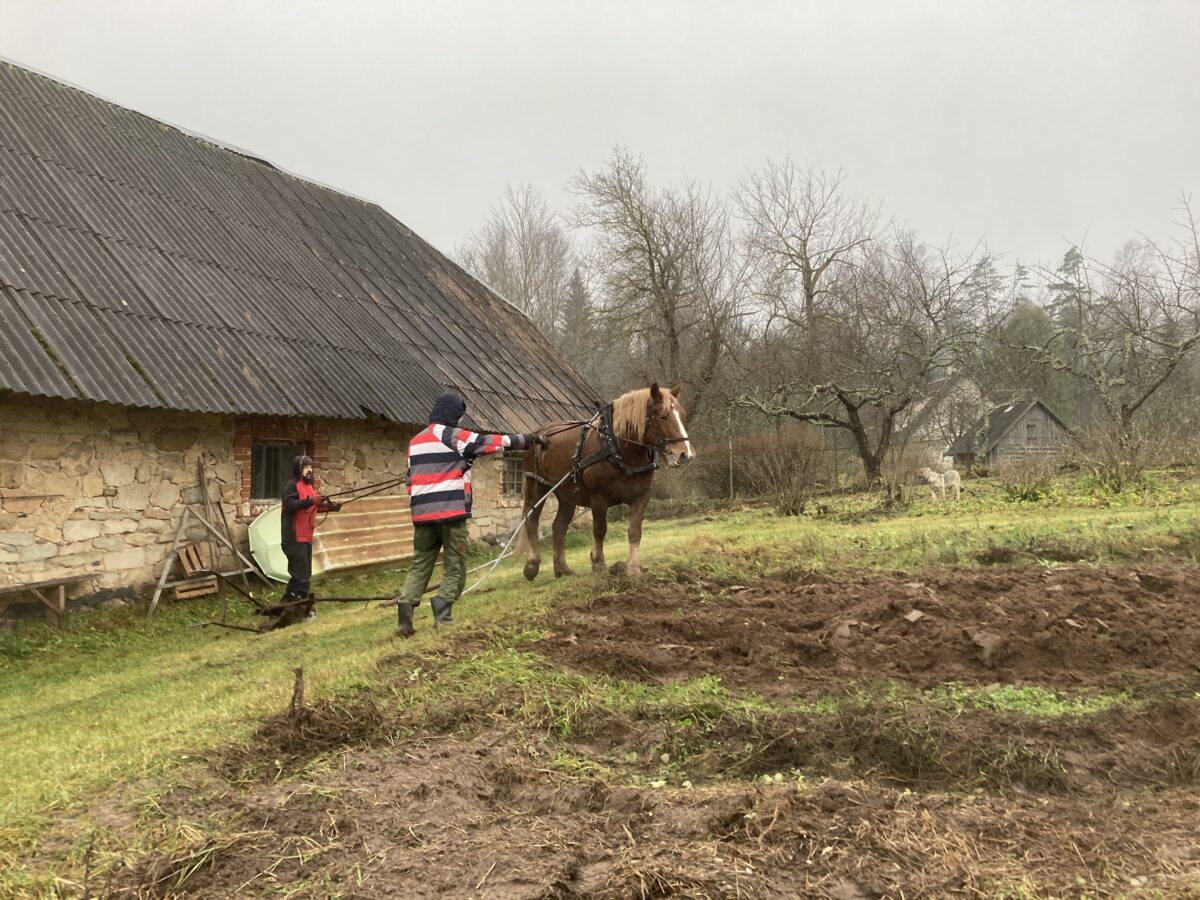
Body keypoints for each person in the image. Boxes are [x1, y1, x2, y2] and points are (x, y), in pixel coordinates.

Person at [396, 393, 548, 636]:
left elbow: (408, 482)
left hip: (422, 516)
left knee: (420, 563)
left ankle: (405, 615)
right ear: (454, 414)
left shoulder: (415, 442)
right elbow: (489, 442)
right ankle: (443, 611)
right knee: (455, 565)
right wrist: (528, 440)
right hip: (451, 512)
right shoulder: (452, 435)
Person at [280, 455, 341, 603]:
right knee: (301, 575)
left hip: (306, 537)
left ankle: (288, 603)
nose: (310, 470)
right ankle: (298, 604)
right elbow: (290, 505)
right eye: (306, 467)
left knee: (305, 574)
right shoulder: (291, 485)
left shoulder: (308, 487)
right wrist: (310, 501)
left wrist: (329, 508)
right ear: (299, 469)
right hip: (294, 537)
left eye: (311, 467)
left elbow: (312, 507)